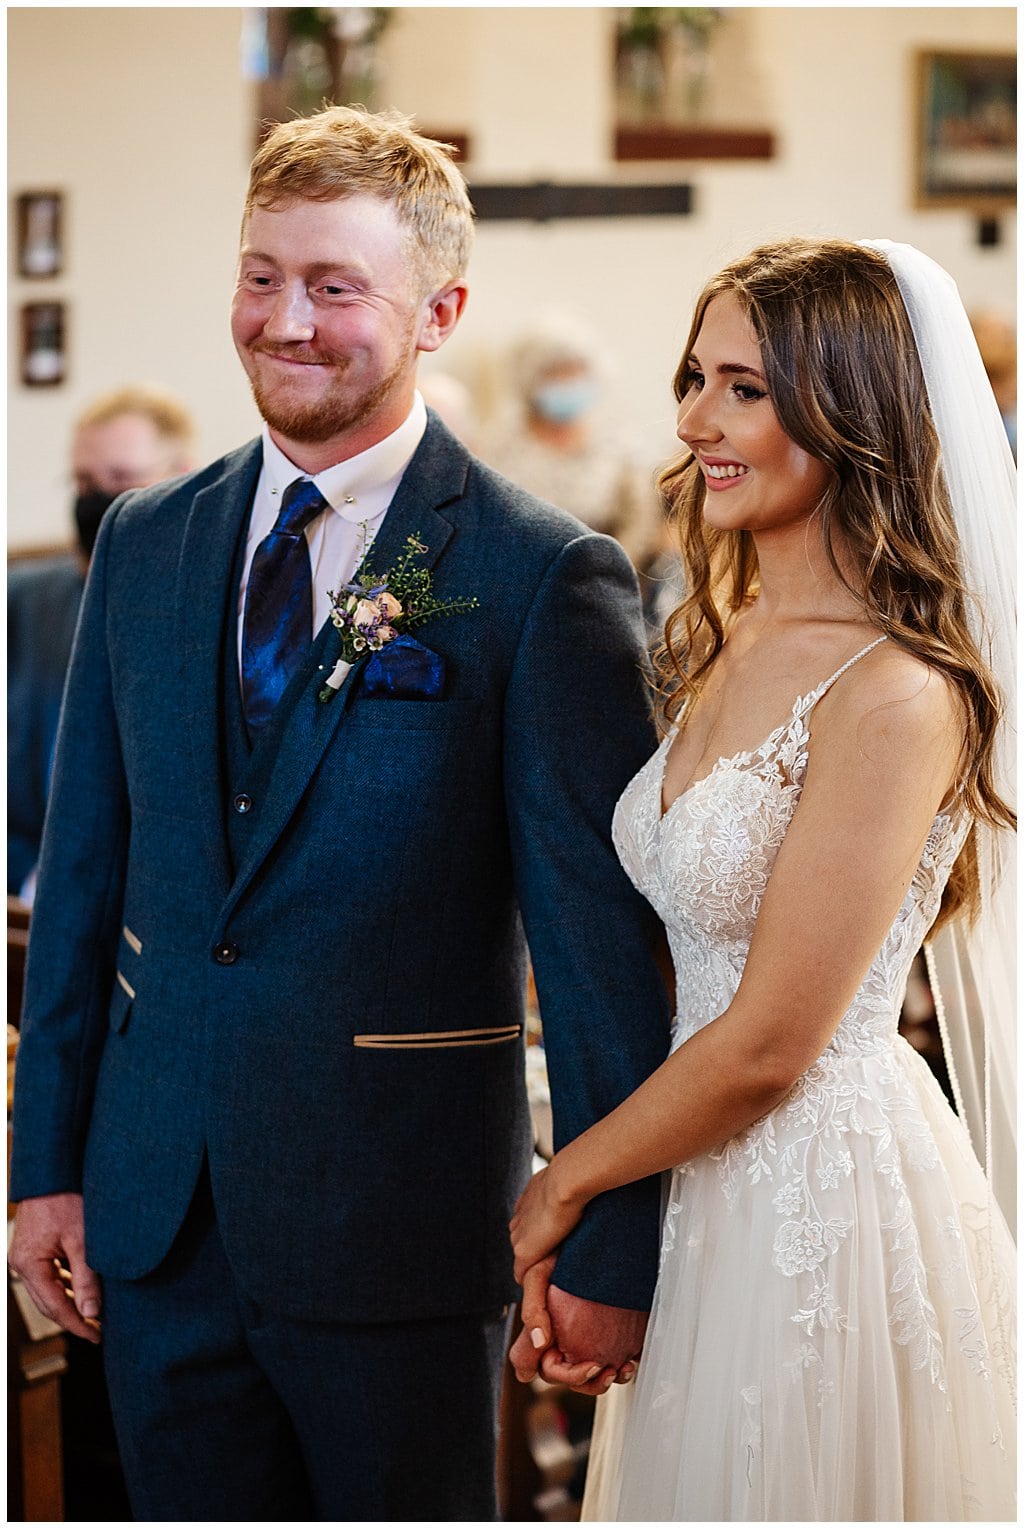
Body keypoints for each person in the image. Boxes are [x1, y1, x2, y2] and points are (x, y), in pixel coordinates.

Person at [7, 106, 672, 1522]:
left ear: (440, 310)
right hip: (154, 1221)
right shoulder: (145, 541)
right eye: (261, 274)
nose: (284, 322)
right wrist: (44, 1171)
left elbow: (598, 949)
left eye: (333, 287)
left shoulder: (539, 574)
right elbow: (85, 880)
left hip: (401, 1234)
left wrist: (615, 1247)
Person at [509, 237, 1016, 1521]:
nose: (696, 420)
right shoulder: (721, 639)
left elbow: (772, 1041)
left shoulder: (897, 688)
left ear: (851, 408)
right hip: (692, 1174)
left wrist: (567, 1178)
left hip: (819, 1199)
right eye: (695, 378)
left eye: (744, 386)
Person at [8, 385, 195, 898]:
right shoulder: (26, 599)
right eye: (85, 482)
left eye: (122, 480)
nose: (97, 501)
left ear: (181, 478)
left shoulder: (210, 606)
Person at [478, 315, 664, 572]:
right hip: (518, 577)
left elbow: (639, 524)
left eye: (577, 370)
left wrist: (612, 573)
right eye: (555, 372)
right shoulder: (498, 445)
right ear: (529, 379)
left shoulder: (618, 443)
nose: (568, 380)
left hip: (602, 576)